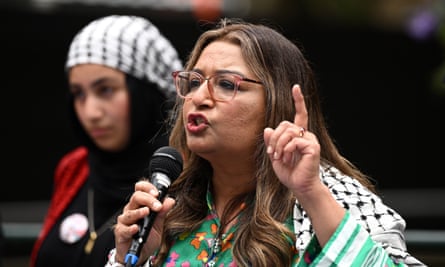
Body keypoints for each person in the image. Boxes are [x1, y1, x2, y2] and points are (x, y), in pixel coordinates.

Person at [107, 18, 426, 266]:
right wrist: (129, 258)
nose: (199, 98)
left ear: (278, 104)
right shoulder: (169, 204)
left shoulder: (328, 194)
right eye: (193, 82)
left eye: (226, 84)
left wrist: (312, 195)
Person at [30, 15, 182, 267]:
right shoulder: (75, 167)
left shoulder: (182, 176)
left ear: (145, 92)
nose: (90, 112)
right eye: (78, 94)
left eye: (106, 90)